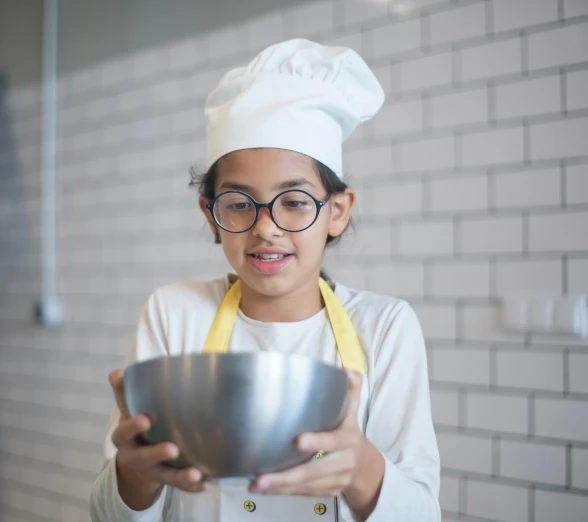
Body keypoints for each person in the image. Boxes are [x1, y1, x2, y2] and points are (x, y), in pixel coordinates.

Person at [90, 38, 441, 522]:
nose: (265, 226)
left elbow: (423, 514)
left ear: (336, 211)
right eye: (238, 202)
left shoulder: (386, 327)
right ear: (210, 214)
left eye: (293, 201)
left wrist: (361, 469)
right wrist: (134, 475)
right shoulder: (173, 313)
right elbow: (108, 516)